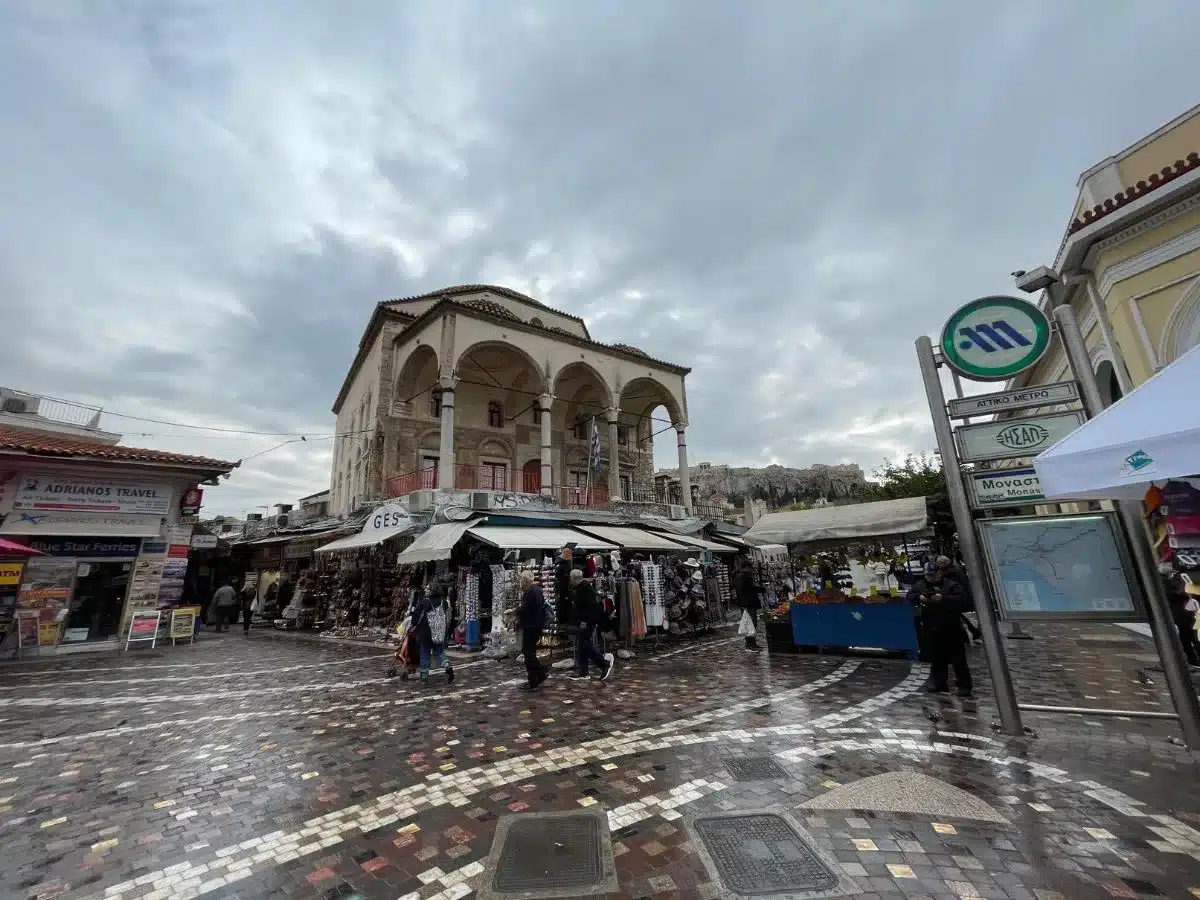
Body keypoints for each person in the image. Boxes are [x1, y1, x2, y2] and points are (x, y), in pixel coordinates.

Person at [907, 566, 973, 697]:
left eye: (932, 575)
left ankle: (964, 685)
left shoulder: (951, 585)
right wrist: (919, 597)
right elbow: (910, 596)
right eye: (927, 575)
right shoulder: (921, 585)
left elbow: (963, 600)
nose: (930, 578)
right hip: (931, 626)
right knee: (937, 657)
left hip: (951, 627)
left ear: (940, 573)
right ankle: (939, 682)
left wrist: (942, 598)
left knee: (958, 658)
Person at [568, 569, 613, 681]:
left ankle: (603, 664)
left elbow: (589, 607)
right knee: (582, 645)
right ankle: (583, 672)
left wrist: (584, 620)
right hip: (584, 621)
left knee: (584, 644)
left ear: (573, 578)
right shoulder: (581, 588)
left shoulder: (585, 589)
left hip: (587, 622)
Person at [411, 583, 455, 685]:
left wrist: (414, 625)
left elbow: (415, 619)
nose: (425, 589)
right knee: (439, 651)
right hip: (438, 631)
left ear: (432, 590)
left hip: (425, 633)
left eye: (427, 588)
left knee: (425, 654)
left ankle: (424, 677)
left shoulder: (424, 603)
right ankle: (447, 665)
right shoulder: (443, 602)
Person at [936, 555, 983, 645]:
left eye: (939, 564)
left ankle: (975, 635)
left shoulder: (952, 572)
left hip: (960, 598)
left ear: (944, 564)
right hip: (961, 597)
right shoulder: (955, 569)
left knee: (963, 618)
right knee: (962, 618)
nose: (938, 566)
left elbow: (952, 585)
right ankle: (971, 635)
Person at [1161, 562, 1200, 668]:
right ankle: (1193, 659)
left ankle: (1193, 659)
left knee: (1188, 637)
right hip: (1184, 614)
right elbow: (1177, 594)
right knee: (1191, 637)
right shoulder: (1168, 582)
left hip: (1182, 614)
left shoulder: (1168, 581)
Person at [517, 570, 549, 690]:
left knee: (528, 653)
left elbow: (526, 609)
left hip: (531, 626)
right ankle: (533, 679)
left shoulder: (531, 592)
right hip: (535, 625)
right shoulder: (536, 590)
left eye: (521, 579)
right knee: (529, 653)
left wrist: (515, 611)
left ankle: (540, 674)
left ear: (524, 580)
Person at [734, 555, 762, 652]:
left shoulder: (740, 576)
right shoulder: (744, 577)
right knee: (751, 624)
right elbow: (748, 589)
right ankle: (750, 644)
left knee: (750, 624)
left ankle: (752, 643)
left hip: (746, 603)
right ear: (747, 568)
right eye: (751, 568)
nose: (752, 571)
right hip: (748, 604)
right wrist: (762, 589)